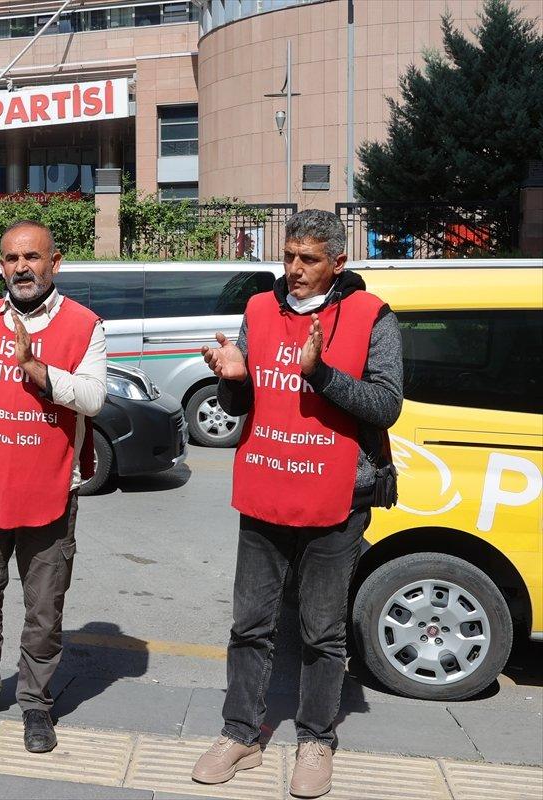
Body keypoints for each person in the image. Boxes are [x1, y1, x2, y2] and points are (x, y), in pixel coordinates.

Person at [192, 210, 403, 798]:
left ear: (338, 262)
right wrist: (233, 379)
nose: (294, 270)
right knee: (251, 625)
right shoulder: (260, 309)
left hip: (336, 500)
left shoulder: (372, 317)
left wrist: (322, 373)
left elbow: (387, 404)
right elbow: (241, 404)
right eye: (289, 256)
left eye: (308, 260)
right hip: (264, 490)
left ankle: (315, 739)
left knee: (320, 631)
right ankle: (241, 733)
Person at [0, 220, 106, 753]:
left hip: (52, 492)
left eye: (32, 257)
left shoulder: (85, 324)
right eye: (11, 258)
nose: (21, 267)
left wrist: (37, 368)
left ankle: (35, 704)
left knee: (44, 608)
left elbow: (95, 398)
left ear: (55, 262)